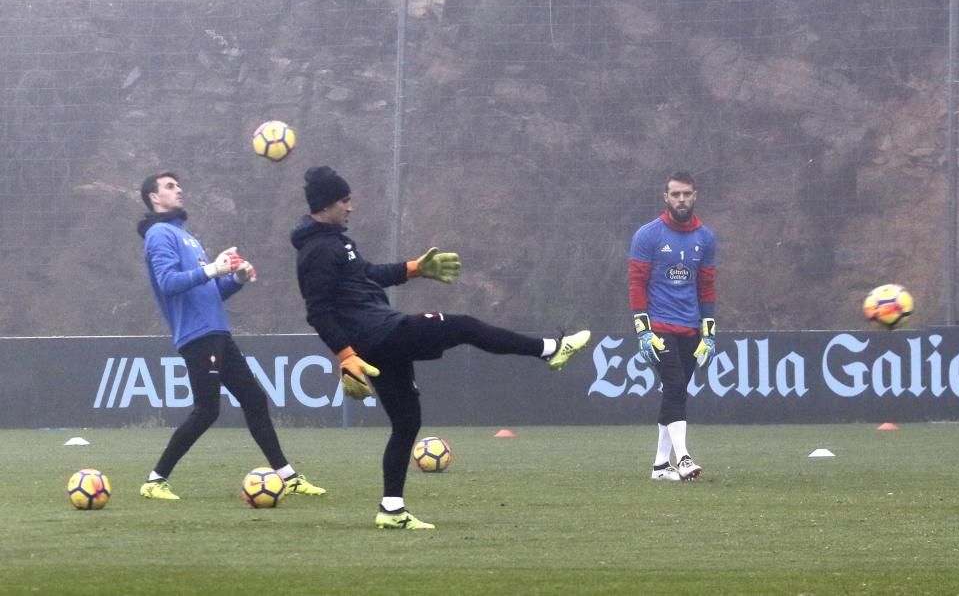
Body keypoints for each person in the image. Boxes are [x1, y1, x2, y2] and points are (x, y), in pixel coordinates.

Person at [291, 165, 591, 529]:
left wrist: (414, 268)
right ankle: (550, 350)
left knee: (406, 423)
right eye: (345, 200)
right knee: (463, 325)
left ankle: (391, 510)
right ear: (326, 204)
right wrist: (345, 354)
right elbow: (318, 311)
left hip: (380, 337)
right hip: (380, 335)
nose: (350, 207)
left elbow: (368, 274)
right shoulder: (317, 251)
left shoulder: (337, 242)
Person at [137, 171, 326, 500]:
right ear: (154, 198)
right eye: (169, 186)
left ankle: (287, 476)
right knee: (207, 410)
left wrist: (235, 278)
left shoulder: (187, 237)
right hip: (197, 336)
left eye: (178, 184)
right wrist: (213, 268)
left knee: (254, 399)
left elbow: (207, 293)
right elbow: (168, 283)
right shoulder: (159, 234)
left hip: (217, 333)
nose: (179, 189)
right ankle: (155, 480)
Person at [628, 170, 717, 482]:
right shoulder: (648, 235)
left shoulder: (705, 238)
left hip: (691, 328)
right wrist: (643, 330)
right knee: (677, 386)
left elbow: (706, 286)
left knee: (674, 393)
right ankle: (684, 458)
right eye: (675, 194)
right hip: (659, 328)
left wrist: (709, 332)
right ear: (665, 197)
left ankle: (659, 466)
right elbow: (637, 284)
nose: (681, 199)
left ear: (695, 195)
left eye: (686, 194)